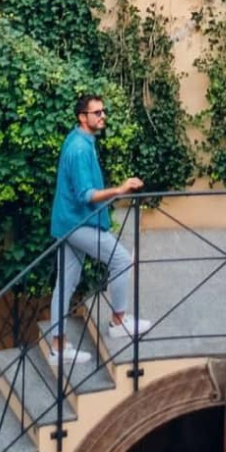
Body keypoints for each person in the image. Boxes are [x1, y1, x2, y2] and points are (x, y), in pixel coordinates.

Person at [47, 93, 150, 370]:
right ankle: (118, 321)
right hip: (79, 223)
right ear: (83, 117)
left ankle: (58, 347)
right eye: (97, 113)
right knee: (120, 259)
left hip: (67, 223)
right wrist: (120, 189)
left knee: (66, 284)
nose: (102, 116)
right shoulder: (80, 149)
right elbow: (85, 195)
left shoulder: (79, 140)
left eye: (103, 111)